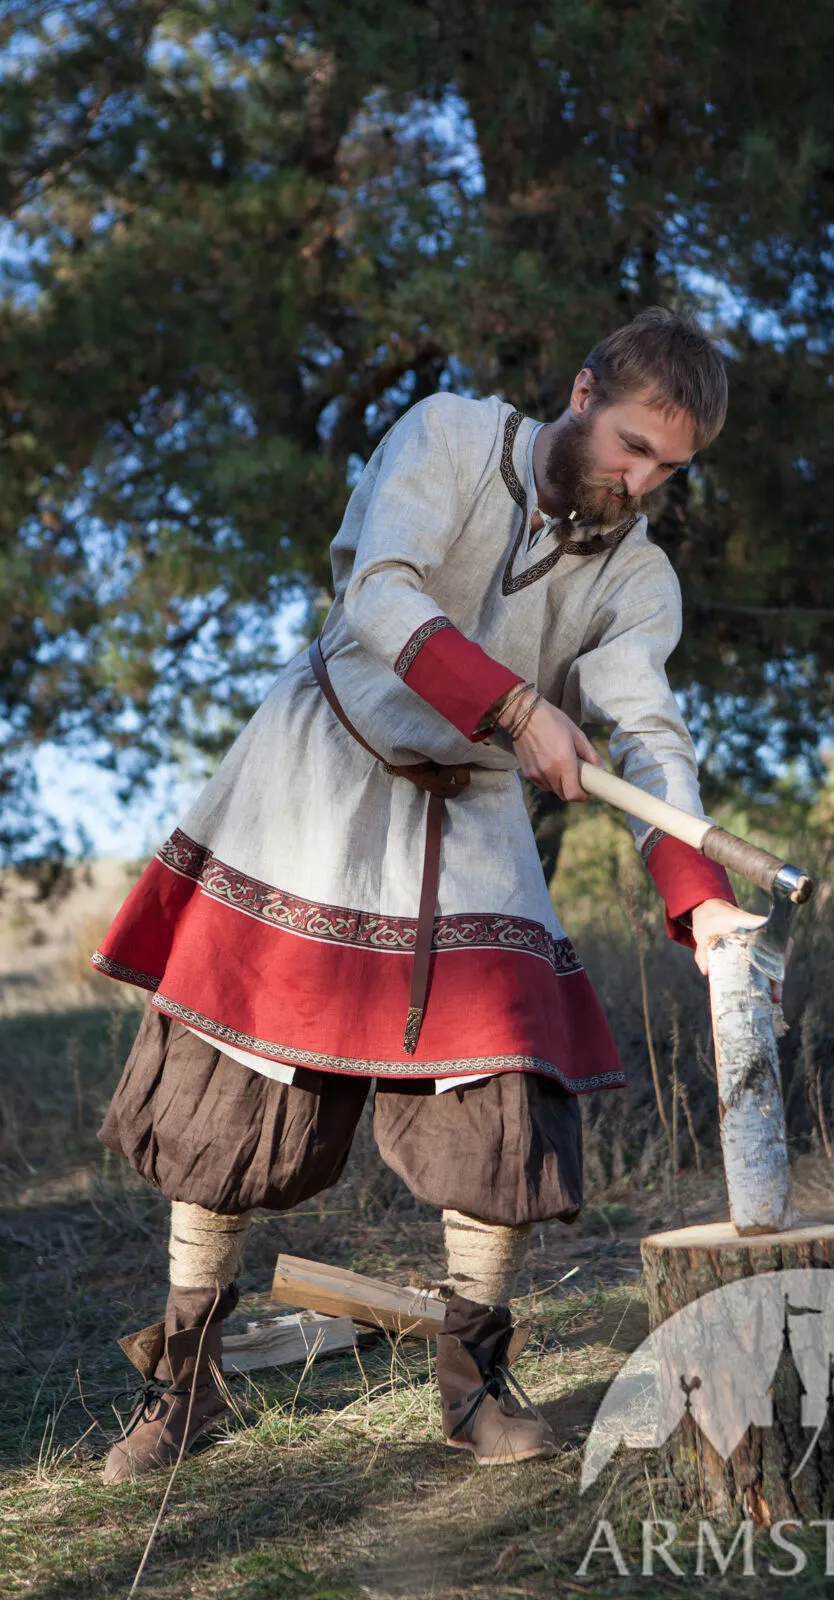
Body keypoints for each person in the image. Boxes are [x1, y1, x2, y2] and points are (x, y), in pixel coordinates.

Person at [92, 307, 769, 1481]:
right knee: (227, 1094)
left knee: (500, 1083)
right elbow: (382, 592)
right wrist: (514, 704)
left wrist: (697, 898)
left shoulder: (635, 574)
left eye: (667, 468)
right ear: (580, 390)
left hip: (474, 813)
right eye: (630, 445)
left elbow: (646, 736)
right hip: (319, 778)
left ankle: (469, 1385)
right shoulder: (447, 435)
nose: (639, 481)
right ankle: (185, 1385)